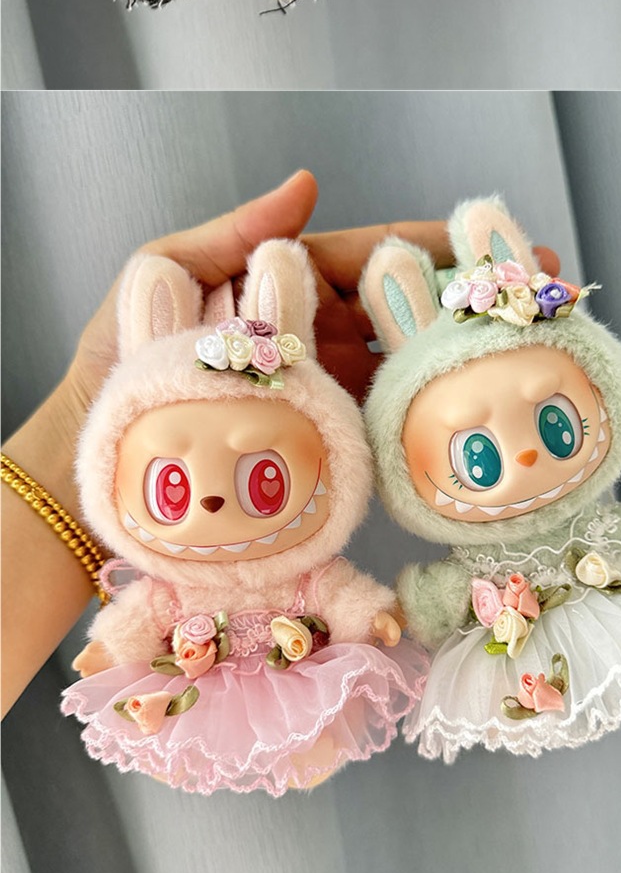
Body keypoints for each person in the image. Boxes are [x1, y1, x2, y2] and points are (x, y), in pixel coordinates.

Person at [1, 168, 558, 716]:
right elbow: (139, 617)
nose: (211, 502)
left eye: (264, 480)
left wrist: (378, 614)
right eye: (172, 487)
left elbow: (337, 594)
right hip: (204, 707)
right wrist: (112, 646)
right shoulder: (170, 592)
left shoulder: (305, 573)